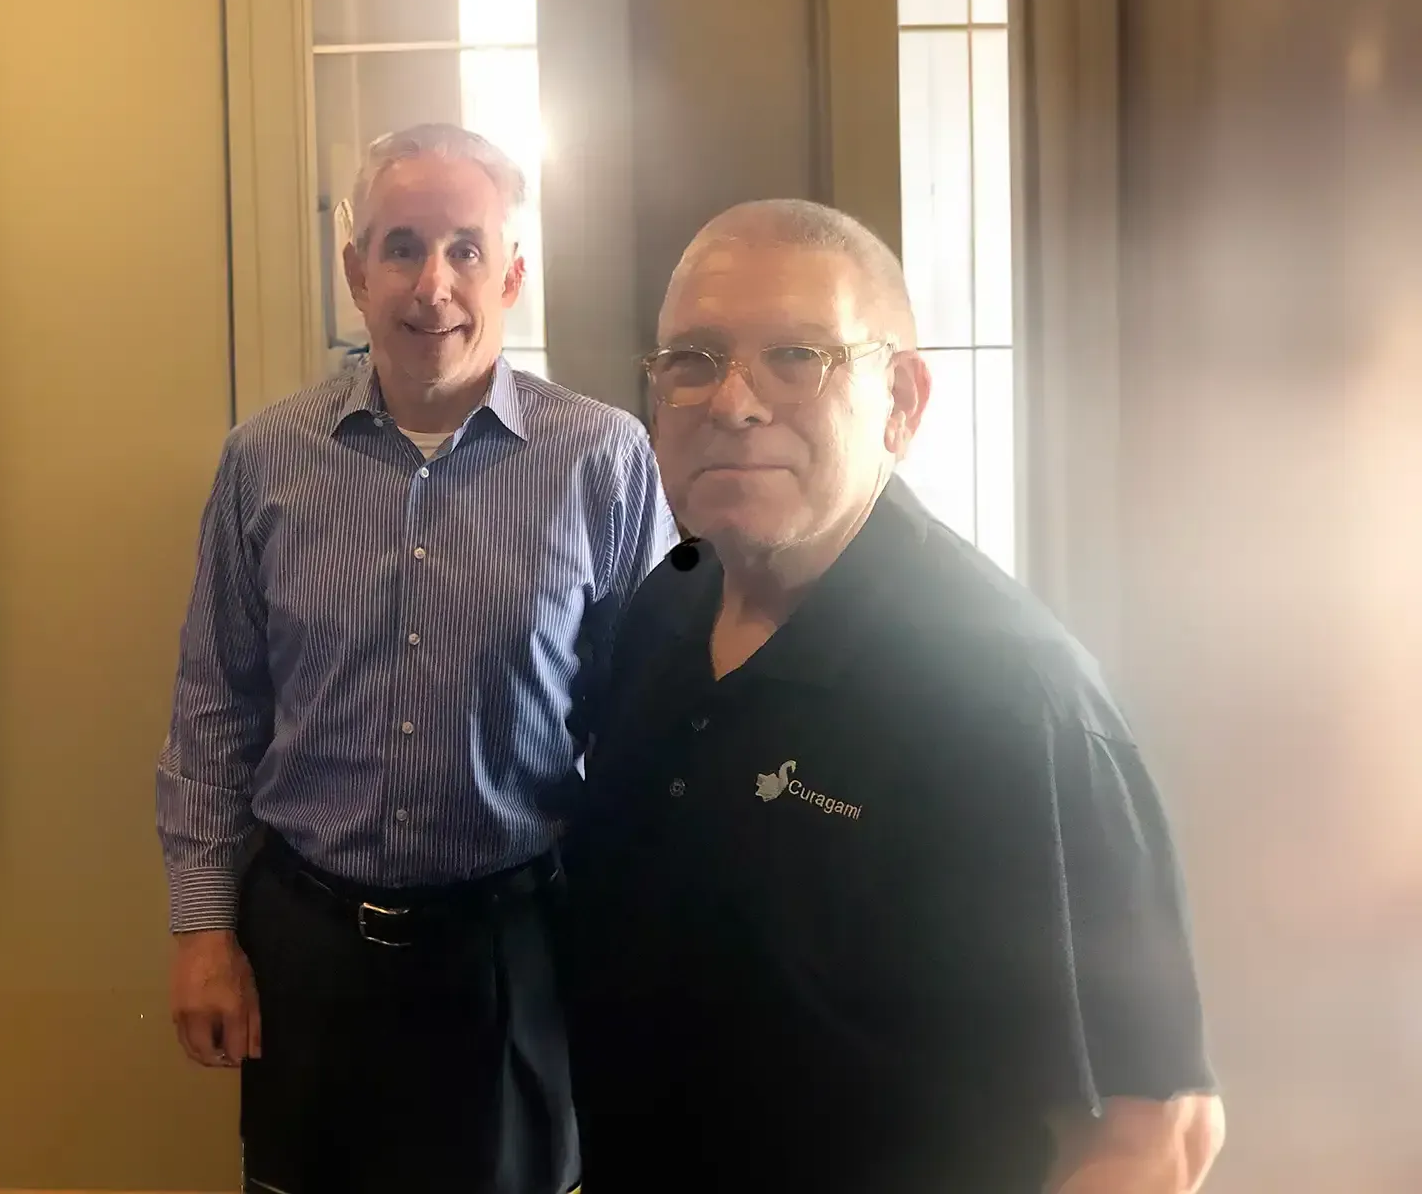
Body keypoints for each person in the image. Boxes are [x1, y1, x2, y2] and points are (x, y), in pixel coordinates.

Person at [563, 199, 1226, 1192]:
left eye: (797, 355)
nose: (733, 401)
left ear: (902, 401)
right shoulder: (663, 612)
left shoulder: (1011, 700)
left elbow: (1155, 1134)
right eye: (692, 359)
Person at [156, 122, 677, 1194]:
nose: (432, 283)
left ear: (514, 273)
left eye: (466, 248)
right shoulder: (266, 459)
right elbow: (215, 706)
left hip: (515, 942)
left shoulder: (607, 459)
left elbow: (650, 724)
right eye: (401, 245)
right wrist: (203, 929)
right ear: (356, 269)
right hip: (308, 943)